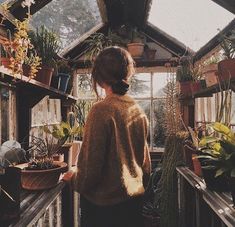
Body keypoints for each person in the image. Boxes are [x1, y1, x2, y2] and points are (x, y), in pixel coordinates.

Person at [63, 46, 151, 227]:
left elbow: (90, 173)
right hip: (133, 205)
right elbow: (146, 166)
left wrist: (73, 178)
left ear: (99, 78)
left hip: (104, 212)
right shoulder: (138, 111)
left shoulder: (101, 110)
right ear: (128, 73)